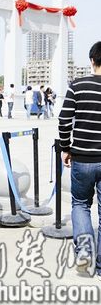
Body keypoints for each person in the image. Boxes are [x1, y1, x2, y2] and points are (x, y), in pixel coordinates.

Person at [59, 41, 101, 279]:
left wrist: (66, 147)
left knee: (81, 205)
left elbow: (64, 121)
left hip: (82, 158)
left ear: (92, 60)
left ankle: (85, 258)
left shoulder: (78, 86)